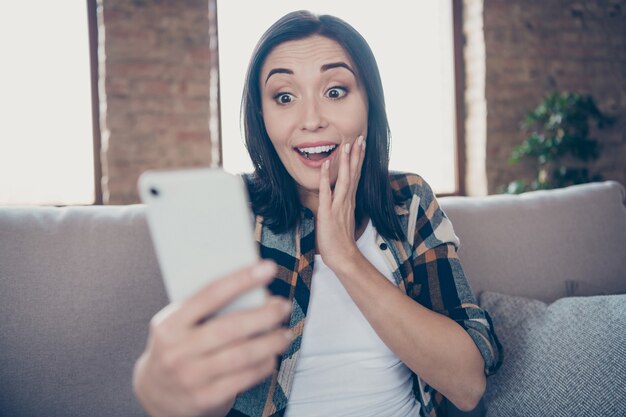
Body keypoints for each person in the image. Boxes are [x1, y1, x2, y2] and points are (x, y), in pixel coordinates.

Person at [133, 10, 501, 417]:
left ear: (369, 107)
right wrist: (163, 390)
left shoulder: (408, 200)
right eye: (285, 97)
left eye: (336, 91)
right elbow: (210, 391)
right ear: (262, 117)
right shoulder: (234, 214)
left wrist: (345, 258)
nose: (311, 120)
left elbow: (467, 385)